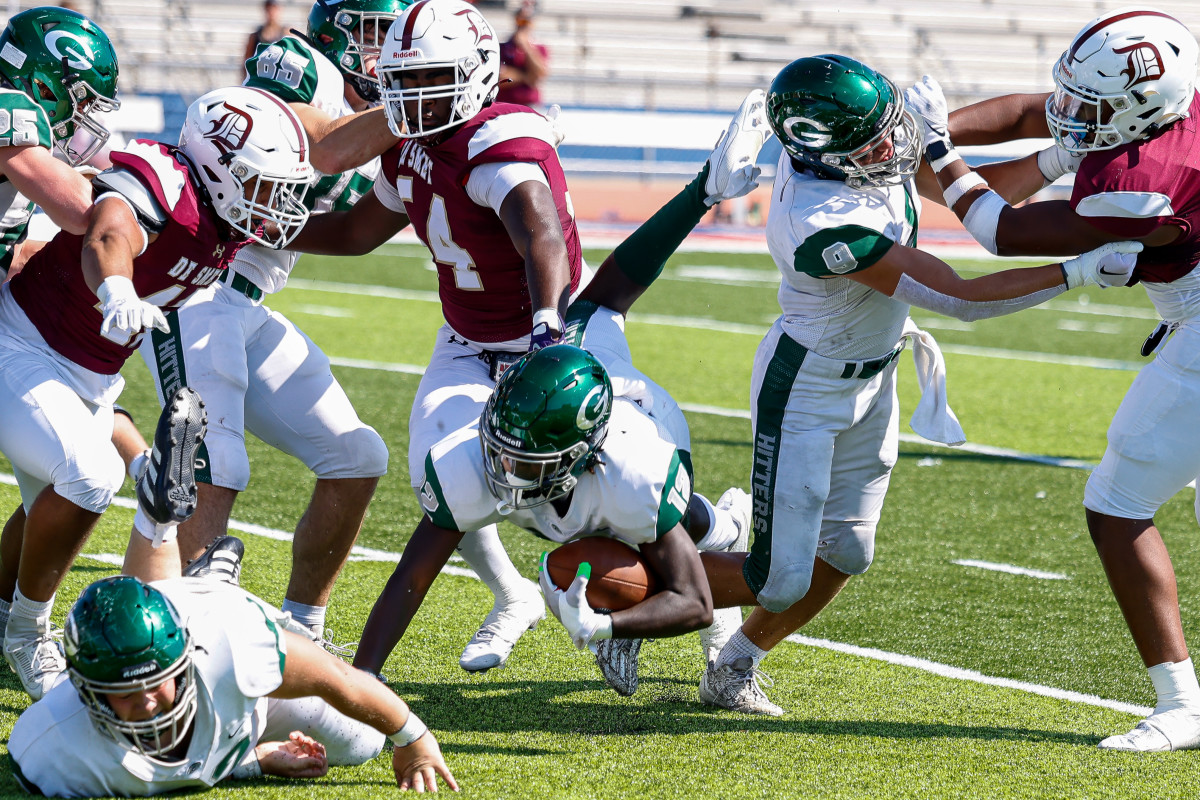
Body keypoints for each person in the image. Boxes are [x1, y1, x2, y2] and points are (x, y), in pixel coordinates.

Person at [691, 53, 1143, 717]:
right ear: (826, 149)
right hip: (807, 390)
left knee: (847, 550)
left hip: (875, 377)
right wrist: (1076, 273)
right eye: (874, 137)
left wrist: (1063, 154)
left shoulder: (849, 148)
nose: (892, 143)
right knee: (779, 577)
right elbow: (958, 296)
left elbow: (973, 191)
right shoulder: (823, 222)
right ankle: (623, 597)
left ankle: (736, 664)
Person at [917, 6, 1200, 752]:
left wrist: (939, 151)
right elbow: (1028, 109)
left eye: (1092, 108)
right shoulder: (1167, 103)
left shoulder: (1142, 179)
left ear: (1145, 109)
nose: (1072, 116)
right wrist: (920, 126)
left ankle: (1181, 705)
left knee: (1116, 502)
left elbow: (1000, 231)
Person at [290, 0, 580, 675]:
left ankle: (705, 601)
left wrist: (546, 331)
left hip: (555, 330)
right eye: (406, 80)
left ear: (475, 74)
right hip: (466, 338)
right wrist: (263, 229)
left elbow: (540, 232)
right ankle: (507, 598)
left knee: (582, 494)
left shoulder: (494, 139)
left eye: (431, 79)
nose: (415, 96)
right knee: (444, 479)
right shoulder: (412, 146)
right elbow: (359, 234)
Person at [0, 85, 314, 701]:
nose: (273, 202)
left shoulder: (226, 221)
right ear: (221, 168)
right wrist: (116, 287)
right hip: (24, 346)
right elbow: (109, 233)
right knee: (89, 479)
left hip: (85, 372)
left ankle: (3, 609)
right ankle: (25, 632)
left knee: (49, 504)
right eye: (260, 184)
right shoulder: (166, 184)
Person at [138, 0, 405, 647]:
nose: (382, 51)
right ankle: (198, 640)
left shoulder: (379, 108)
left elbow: (350, 232)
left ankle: (302, 631)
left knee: (356, 456)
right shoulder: (299, 66)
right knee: (216, 460)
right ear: (336, 32)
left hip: (245, 300)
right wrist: (413, 111)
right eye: (372, 34)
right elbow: (317, 144)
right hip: (197, 285)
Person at [7, 570, 457, 795]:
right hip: (224, 694)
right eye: (122, 692)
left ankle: (207, 572)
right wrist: (251, 760)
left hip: (224, 620)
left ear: (185, 663)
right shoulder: (52, 752)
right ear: (86, 691)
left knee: (363, 743)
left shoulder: (232, 646)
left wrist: (413, 736)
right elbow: (172, 773)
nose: (145, 703)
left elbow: (335, 677)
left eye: (157, 682)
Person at [496, 0, 549, 108]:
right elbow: (500, 77)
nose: (523, 25)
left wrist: (526, 46)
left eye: (526, 22)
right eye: (520, 21)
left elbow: (539, 74)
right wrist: (525, 76)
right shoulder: (502, 47)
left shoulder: (540, 48)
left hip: (529, 104)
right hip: (505, 104)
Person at [242, 0, 288, 72]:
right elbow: (246, 62)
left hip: (279, 77)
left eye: (274, 8)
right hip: (260, 78)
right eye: (268, 9)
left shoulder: (287, 34)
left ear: (279, 10)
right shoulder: (255, 36)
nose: (271, 12)